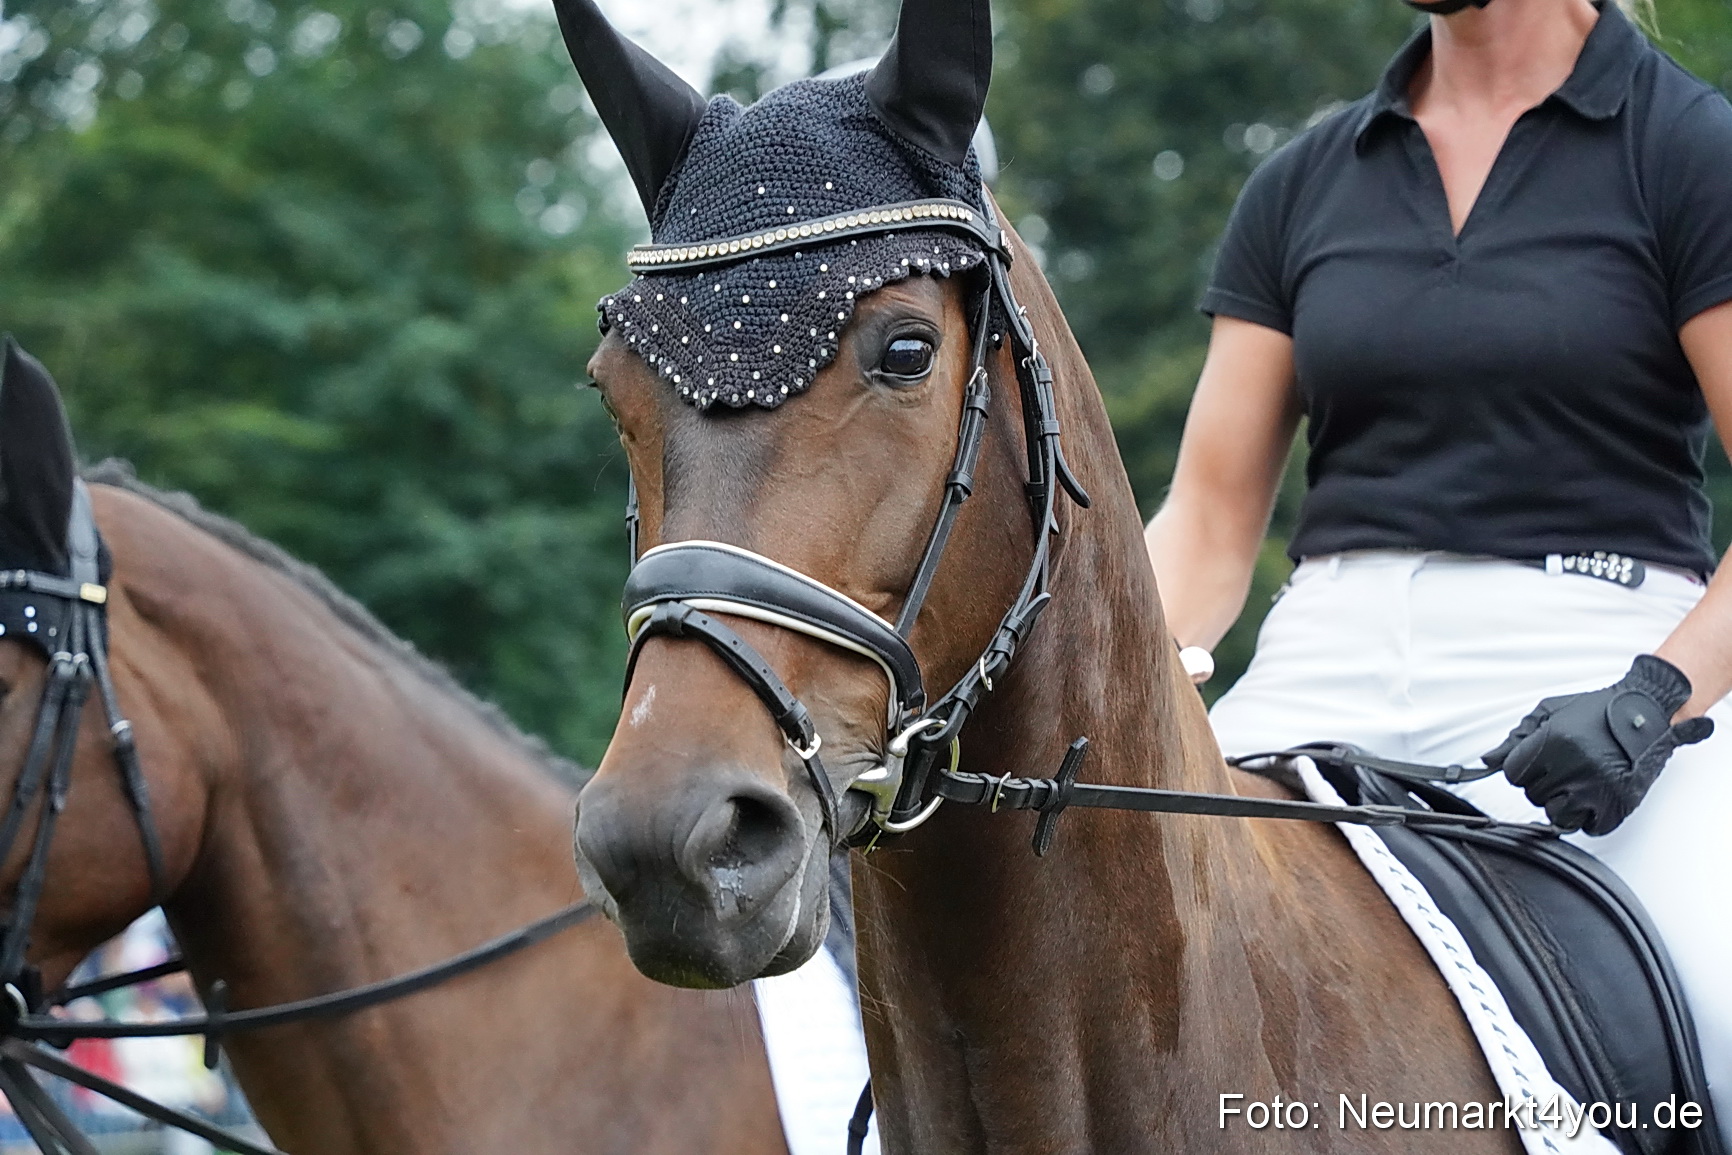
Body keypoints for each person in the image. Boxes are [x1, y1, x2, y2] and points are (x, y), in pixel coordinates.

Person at [1143, 0, 1732, 1141]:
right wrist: (1125, 686)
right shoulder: (1305, 180)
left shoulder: (1689, 150)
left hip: (1603, 661)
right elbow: (1210, 523)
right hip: (1322, 660)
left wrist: (1657, 699)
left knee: (1723, 1014)